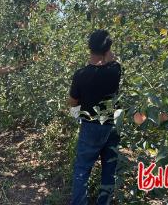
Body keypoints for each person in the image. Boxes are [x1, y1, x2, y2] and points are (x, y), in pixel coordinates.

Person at [69, 30, 122, 205]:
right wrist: (110, 58)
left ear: (89, 48)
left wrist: (76, 116)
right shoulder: (115, 70)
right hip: (111, 123)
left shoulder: (80, 74)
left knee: (82, 169)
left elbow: (73, 102)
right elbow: (113, 63)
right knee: (109, 168)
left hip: (90, 124)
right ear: (108, 49)